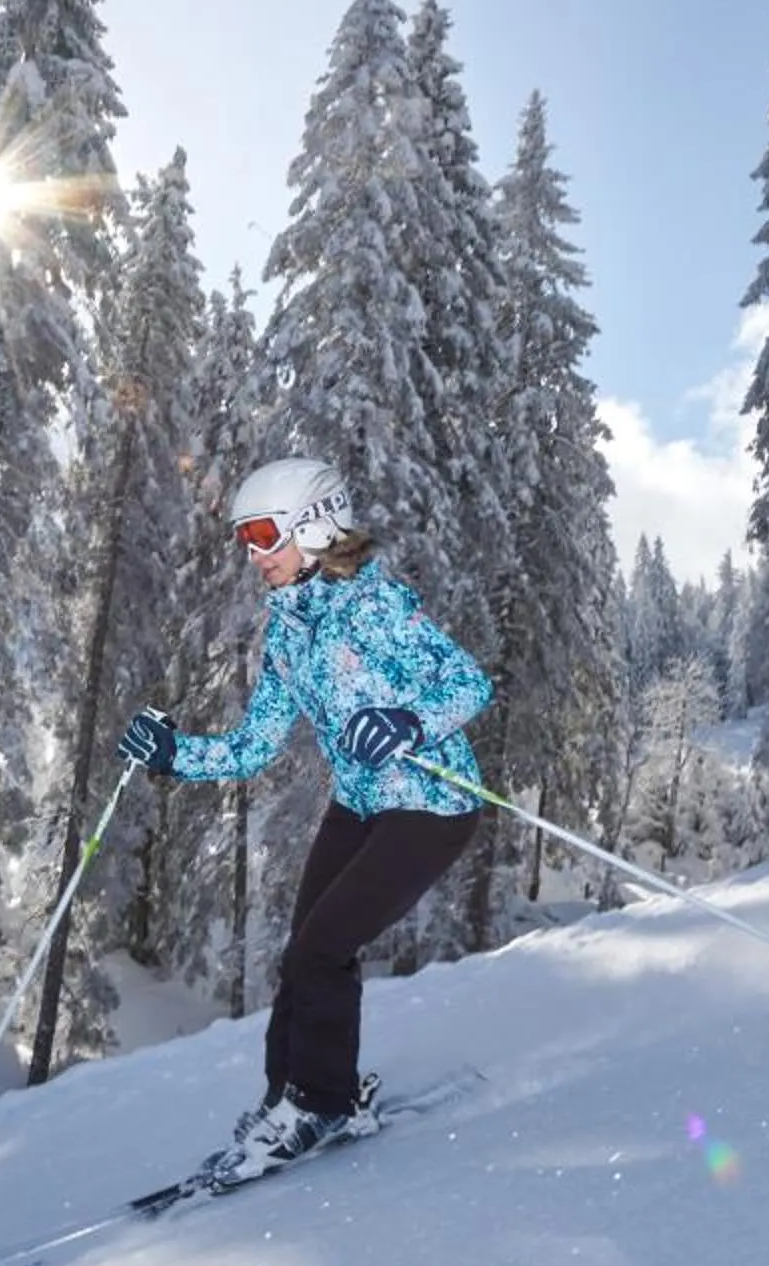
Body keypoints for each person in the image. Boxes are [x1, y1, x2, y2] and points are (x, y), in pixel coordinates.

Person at [117, 457, 494, 1179]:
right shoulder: (289, 629)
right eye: (243, 539)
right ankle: (288, 1100)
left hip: (431, 806)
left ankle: (319, 1104)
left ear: (313, 526)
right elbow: (255, 744)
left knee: (323, 948)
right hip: (360, 804)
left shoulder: (376, 605)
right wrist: (172, 755)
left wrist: (409, 722)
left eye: (264, 534)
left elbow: (468, 682)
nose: (254, 554)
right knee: (303, 953)